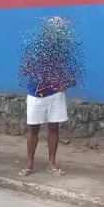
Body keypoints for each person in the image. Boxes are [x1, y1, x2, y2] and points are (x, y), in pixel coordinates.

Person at [19, 17, 77, 176]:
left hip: (55, 94)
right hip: (36, 94)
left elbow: (69, 70)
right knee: (33, 129)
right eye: (54, 29)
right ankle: (29, 163)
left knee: (54, 128)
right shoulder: (34, 46)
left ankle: (51, 164)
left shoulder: (64, 49)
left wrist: (65, 81)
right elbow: (26, 69)